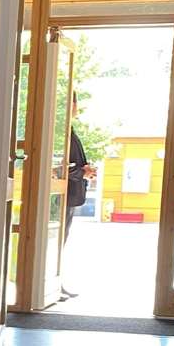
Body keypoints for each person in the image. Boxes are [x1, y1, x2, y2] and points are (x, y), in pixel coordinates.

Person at [61, 92, 95, 298]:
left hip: (71, 196)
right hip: (64, 196)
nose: (77, 107)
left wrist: (86, 170)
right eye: (76, 103)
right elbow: (58, 167)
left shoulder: (70, 132)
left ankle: (56, 284)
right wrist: (83, 171)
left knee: (62, 240)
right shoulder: (62, 134)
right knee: (58, 241)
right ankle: (54, 285)